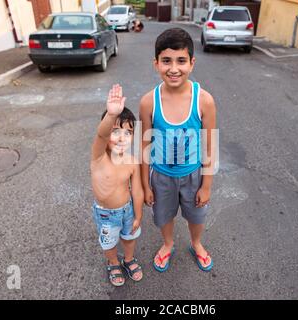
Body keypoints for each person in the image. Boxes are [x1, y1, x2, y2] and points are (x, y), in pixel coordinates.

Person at [139, 28, 217, 272]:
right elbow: (143, 146)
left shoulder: (204, 100)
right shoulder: (148, 102)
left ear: (192, 63)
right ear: (156, 64)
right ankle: (168, 244)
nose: (174, 68)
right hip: (161, 177)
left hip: (194, 175)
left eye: (181, 60)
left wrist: (206, 185)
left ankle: (196, 243)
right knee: (164, 216)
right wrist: (144, 185)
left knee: (196, 217)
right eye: (166, 61)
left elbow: (209, 145)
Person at [90, 84, 144, 286]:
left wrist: (138, 214)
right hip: (105, 213)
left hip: (127, 210)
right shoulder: (98, 156)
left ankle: (128, 259)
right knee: (109, 242)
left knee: (130, 238)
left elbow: (136, 189)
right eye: (116, 131)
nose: (122, 137)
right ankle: (113, 262)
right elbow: (101, 134)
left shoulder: (132, 161)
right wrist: (112, 115)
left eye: (128, 133)